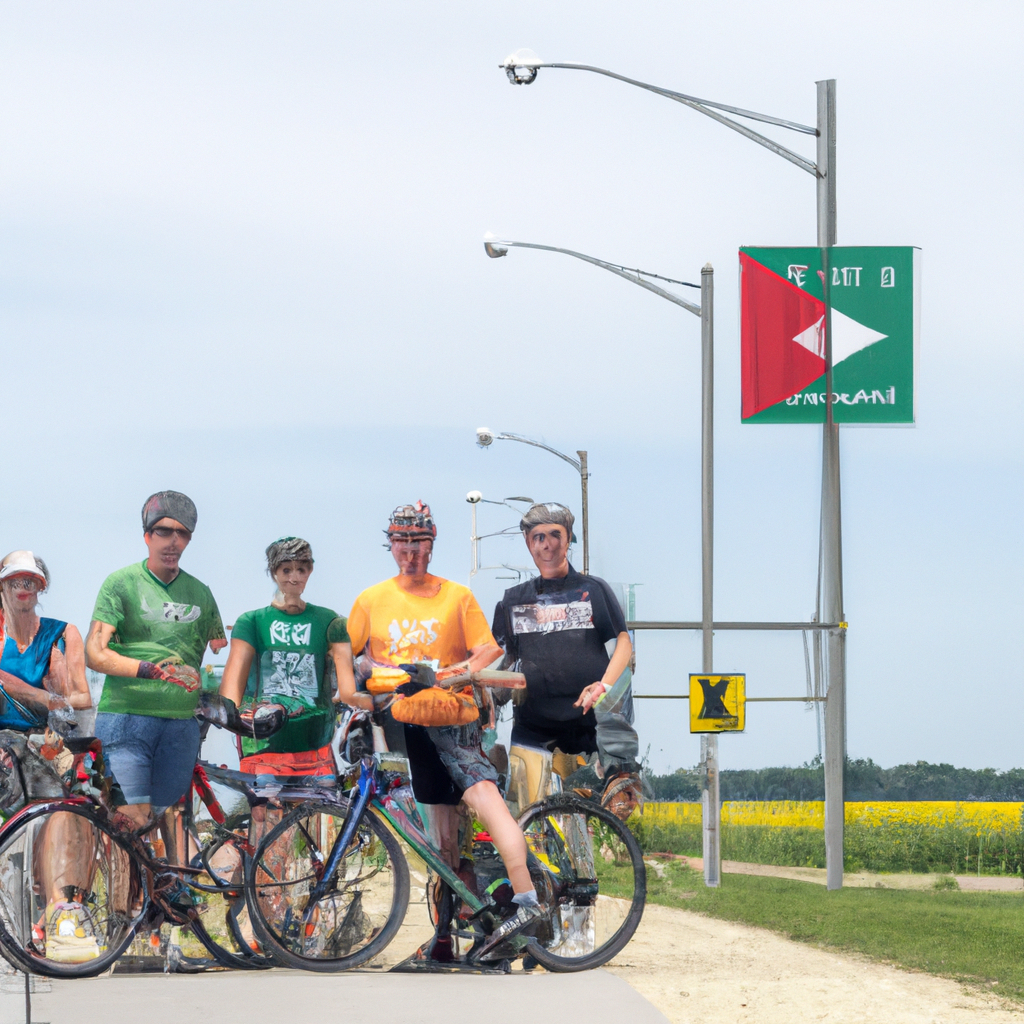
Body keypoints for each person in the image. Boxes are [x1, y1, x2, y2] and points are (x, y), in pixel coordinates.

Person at [341, 502, 543, 959]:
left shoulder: (456, 596)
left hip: (456, 721)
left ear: (431, 545)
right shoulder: (371, 600)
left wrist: (450, 673)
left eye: (418, 543)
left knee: (485, 803)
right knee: (442, 840)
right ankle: (446, 937)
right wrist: (363, 678)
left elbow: (486, 652)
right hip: (410, 724)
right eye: (402, 542)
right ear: (390, 544)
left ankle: (527, 899)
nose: (410, 552)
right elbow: (350, 656)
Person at [85, 491, 226, 846]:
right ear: (147, 535)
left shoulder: (202, 594)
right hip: (127, 717)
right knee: (129, 819)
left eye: (181, 533)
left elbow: (223, 656)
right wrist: (144, 669)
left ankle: (164, 895)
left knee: (166, 818)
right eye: (163, 531)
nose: (172, 541)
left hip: (179, 727)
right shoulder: (121, 583)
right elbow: (94, 652)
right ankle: (125, 902)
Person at [491, 502, 643, 819]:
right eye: (538, 537)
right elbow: (502, 660)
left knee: (623, 675)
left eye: (554, 535)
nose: (546, 545)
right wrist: (487, 706)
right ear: (528, 542)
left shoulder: (594, 590)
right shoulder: (512, 600)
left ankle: (621, 774)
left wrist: (604, 685)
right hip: (534, 729)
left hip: (589, 726)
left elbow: (624, 644)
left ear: (568, 538)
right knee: (530, 824)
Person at [0, 550, 99, 963]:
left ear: (42, 587)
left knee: (75, 806)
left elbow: (82, 698)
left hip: (45, 741)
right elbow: (62, 700)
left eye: (31, 581)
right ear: (2, 586)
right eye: (15, 581)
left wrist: (34, 694)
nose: (23, 589)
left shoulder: (62, 633)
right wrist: (48, 696)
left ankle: (61, 915)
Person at [219, 537, 354, 778]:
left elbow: (347, 689)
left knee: (319, 810)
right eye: (286, 570)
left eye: (301, 569)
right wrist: (227, 714)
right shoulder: (251, 622)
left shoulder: (330, 621)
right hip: (262, 746)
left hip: (315, 743)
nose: (294, 577)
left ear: (310, 571)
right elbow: (231, 689)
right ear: (273, 573)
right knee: (268, 812)